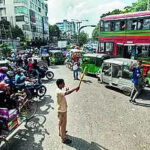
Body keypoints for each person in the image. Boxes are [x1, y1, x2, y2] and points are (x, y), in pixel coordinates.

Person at [56, 79, 80, 144]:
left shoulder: (59, 90)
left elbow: (64, 94)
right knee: (63, 125)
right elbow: (67, 93)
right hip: (62, 111)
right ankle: (63, 139)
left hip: (60, 110)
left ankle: (60, 133)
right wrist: (75, 88)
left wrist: (66, 91)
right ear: (60, 84)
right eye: (63, 83)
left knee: (60, 122)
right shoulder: (59, 91)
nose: (64, 84)